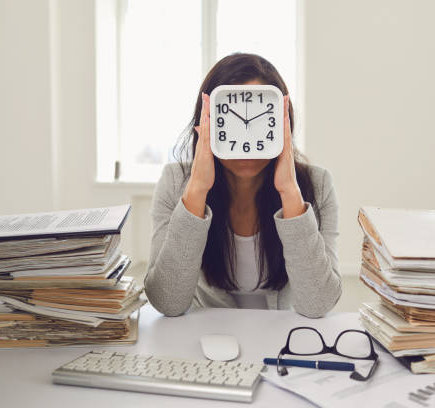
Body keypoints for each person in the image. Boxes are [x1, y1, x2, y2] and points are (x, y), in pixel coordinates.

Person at [144, 53, 341, 318]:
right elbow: (168, 302)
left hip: (280, 336)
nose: (246, 144)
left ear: (282, 124)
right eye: (233, 125)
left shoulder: (317, 186)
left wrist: (290, 194)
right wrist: (197, 190)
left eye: (259, 124)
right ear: (207, 123)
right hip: (203, 336)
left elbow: (318, 304)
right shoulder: (176, 182)